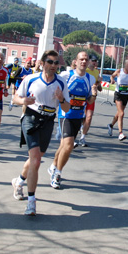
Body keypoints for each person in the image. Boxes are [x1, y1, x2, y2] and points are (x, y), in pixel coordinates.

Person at [10, 50, 70, 216]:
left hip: (48, 121)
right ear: (43, 63)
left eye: (56, 63)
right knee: (36, 161)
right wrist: (24, 101)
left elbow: (67, 108)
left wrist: (61, 99)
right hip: (31, 117)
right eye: (50, 62)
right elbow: (15, 97)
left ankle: (19, 181)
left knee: (35, 159)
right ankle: (31, 202)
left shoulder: (61, 83)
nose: (53, 66)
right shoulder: (31, 79)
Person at [47, 51, 97, 189]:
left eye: (86, 59)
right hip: (65, 114)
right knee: (69, 145)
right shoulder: (66, 76)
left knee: (64, 146)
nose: (84, 62)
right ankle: (57, 174)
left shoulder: (90, 79)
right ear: (75, 61)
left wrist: (93, 95)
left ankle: (53, 165)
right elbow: (54, 88)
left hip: (78, 116)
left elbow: (89, 100)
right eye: (81, 59)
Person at [108, 58, 128, 141]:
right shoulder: (119, 71)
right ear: (125, 64)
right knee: (121, 113)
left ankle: (111, 125)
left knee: (119, 113)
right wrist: (112, 80)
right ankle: (120, 133)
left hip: (126, 95)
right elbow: (112, 76)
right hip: (118, 94)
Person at [79, 54, 103, 147]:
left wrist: (99, 82)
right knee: (81, 117)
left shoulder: (97, 72)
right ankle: (80, 128)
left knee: (89, 117)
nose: (94, 62)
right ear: (89, 61)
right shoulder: (85, 70)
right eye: (93, 60)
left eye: (95, 61)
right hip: (81, 96)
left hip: (91, 98)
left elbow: (99, 88)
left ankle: (82, 138)